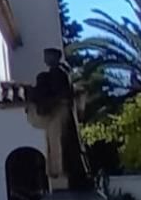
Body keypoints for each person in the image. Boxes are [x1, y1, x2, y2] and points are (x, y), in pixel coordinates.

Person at [27, 48, 94, 192]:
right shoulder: (56, 74)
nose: (46, 58)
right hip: (57, 112)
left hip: (59, 112)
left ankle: (62, 171)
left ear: (55, 57)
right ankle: (59, 171)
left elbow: (63, 94)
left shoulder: (60, 74)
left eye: (48, 56)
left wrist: (48, 102)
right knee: (55, 142)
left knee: (59, 142)